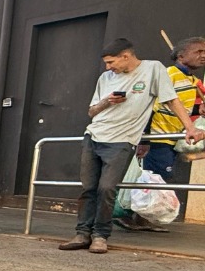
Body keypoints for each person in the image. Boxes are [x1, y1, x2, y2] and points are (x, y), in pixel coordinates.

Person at [59, 39, 203, 253]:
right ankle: (82, 233)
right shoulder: (105, 78)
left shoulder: (153, 69)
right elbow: (91, 111)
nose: (108, 67)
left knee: (107, 188)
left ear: (126, 56)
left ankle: (100, 235)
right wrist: (107, 101)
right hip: (94, 135)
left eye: (111, 62)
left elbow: (171, 100)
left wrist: (190, 127)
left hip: (122, 140)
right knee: (88, 188)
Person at [116, 36, 205, 232]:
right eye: (198, 51)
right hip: (158, 137)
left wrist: (198, 110)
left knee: (157, 178)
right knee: (156, 177)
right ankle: (135, 217)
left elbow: (180, 109)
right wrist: (145, 138)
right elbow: (151, 106)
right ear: (181, 56)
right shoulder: (169, 75)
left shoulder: (191, 80)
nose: (203, 55)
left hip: (172, 137)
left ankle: (143, 219)